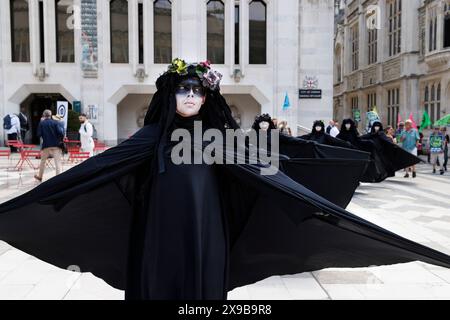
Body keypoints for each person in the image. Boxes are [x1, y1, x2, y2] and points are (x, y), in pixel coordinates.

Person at [1, 59, 450, 301]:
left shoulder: (217, 139)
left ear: (207, 96)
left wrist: (323, 175)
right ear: (170, 93)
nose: (191, 97)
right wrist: (54, 194)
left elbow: (268, 166)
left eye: (198, 91)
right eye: (184, 90)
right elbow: (101, 166)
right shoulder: (152, 136)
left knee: (202, 283)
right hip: (160, 229)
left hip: (207, 228)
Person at [34, 110, 65, 182]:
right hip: (56, 145)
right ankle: (58, 178)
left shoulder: (42, 123)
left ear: (43, 115)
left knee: (43, 161)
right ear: (51, 115)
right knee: (57, 162)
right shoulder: (56, 122)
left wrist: (40, 122)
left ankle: (40, 177)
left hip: (46, 145)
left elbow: (38, 134)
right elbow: (61, 133)